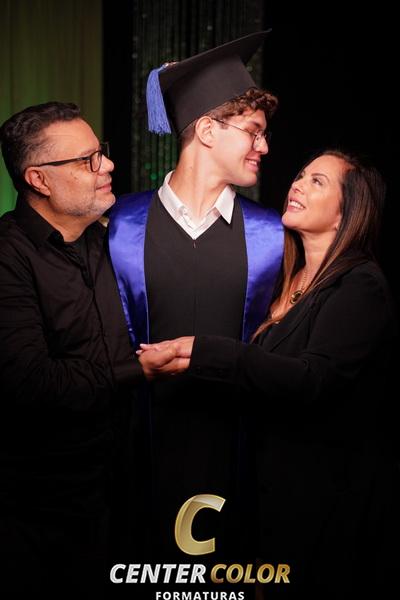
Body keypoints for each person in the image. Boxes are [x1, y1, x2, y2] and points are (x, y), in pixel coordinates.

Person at [139, 149, 399, 598]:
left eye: (317, 182)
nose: (297, 184)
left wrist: (205, 351)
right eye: (301, 175)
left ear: (347, 212)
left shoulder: (360, 284)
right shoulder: (285, 279)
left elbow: (311, 380)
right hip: (266, 498)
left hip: (322, 506)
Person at [108, 31, 284, 562]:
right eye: (254, 131)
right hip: (133, 459)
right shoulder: (117, 226)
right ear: (207, 130)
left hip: (238, 459)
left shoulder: (273, 237)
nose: (264, 147)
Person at [0, 101, 141, 599]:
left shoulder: (112, 242)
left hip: (120, 494)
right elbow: (30, 383)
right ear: (39, 179)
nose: (108, 165)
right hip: (38, 512)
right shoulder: (8, 256)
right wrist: (137, 369)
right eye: (87, 160)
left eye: (101, 152)